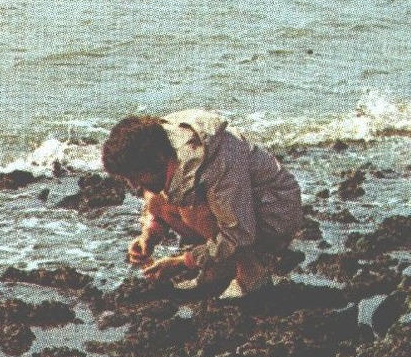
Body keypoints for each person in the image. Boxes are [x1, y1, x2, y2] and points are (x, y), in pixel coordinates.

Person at [100, 109, 304, 298]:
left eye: (135, 176)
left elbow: (238, 235)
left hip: (275, 214)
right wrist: (150, 234)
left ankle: (250, 274)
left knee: (192, 211)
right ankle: (221, 268)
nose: (133, 185)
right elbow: (158, 197)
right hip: (243, 212)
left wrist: (184, 262)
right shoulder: (161, 145)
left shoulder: (216, 161)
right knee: (156, 196)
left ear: (158, 158)